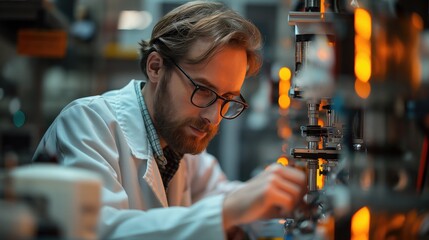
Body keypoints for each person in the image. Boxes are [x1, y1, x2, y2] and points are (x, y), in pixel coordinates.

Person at [33, 1, 306, 239]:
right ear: (155, 67)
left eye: (227, 99)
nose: (212, 117)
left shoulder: (183, 147)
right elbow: (98, 231)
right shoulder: (87, 124)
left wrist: (287, 198)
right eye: (202, 91)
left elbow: (229, 199)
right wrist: (227, 211)